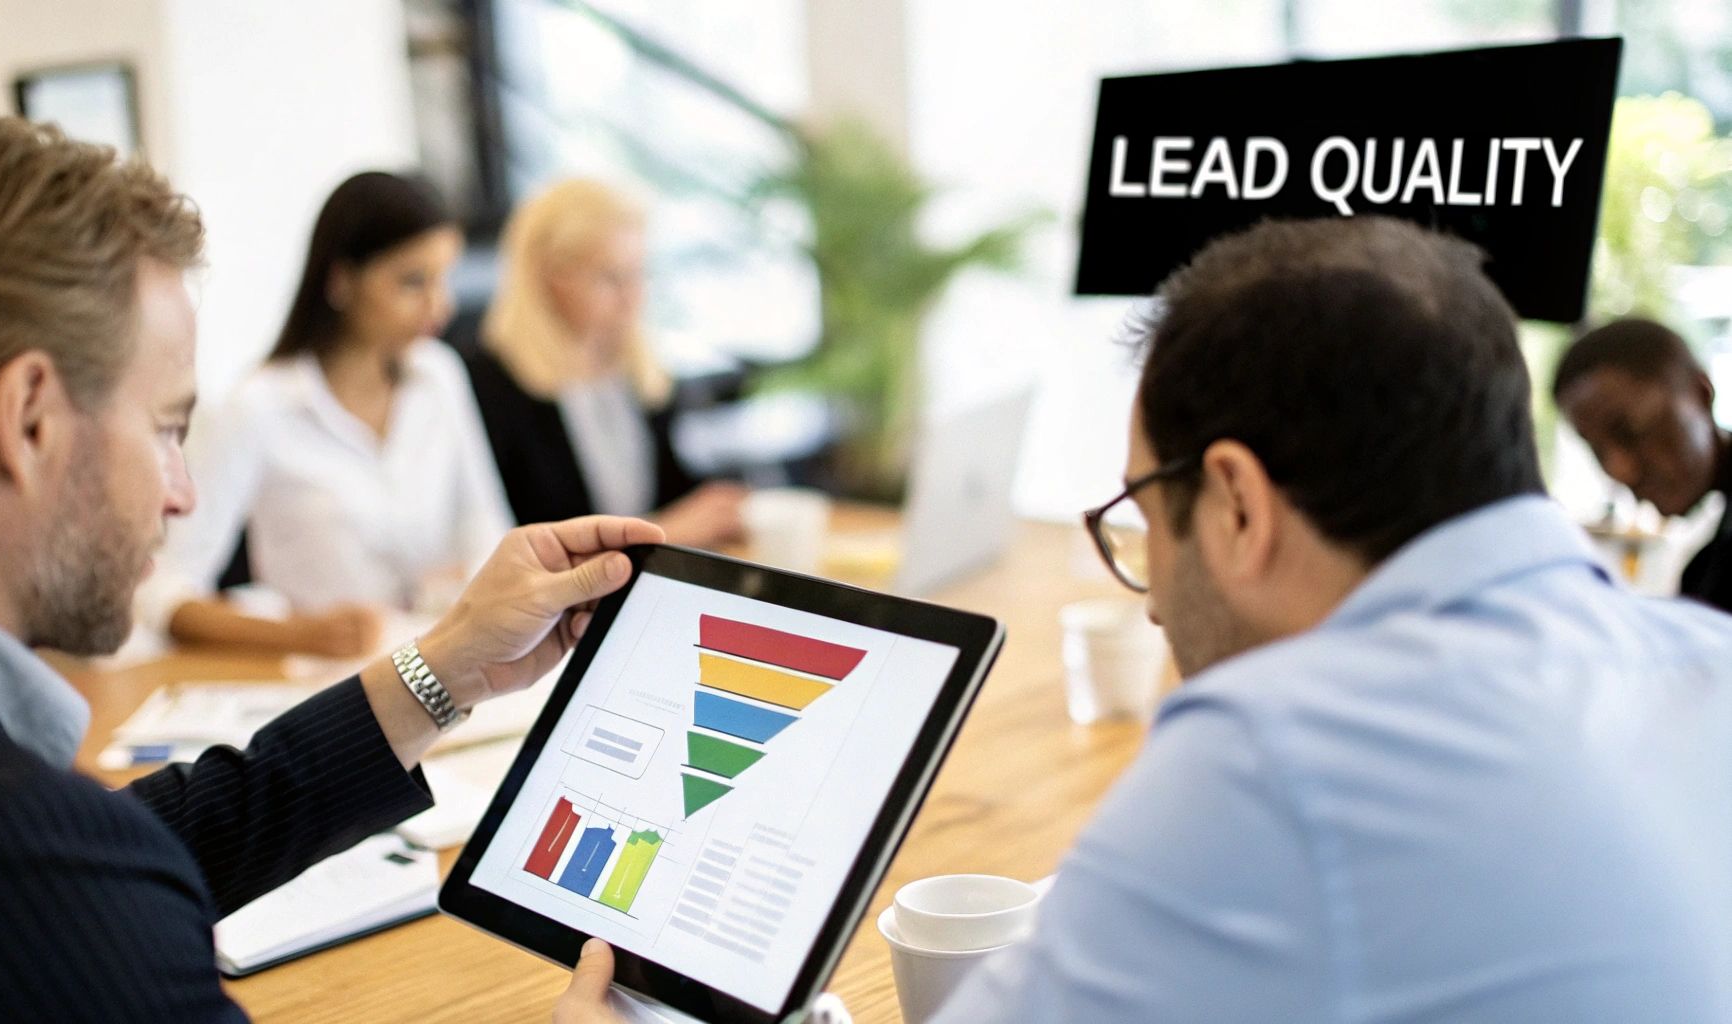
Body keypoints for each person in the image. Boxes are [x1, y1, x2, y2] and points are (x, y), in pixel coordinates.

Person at [555, 217, 1732, 1021]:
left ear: (1232, 501)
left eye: (1140, 509)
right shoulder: (1705, 660)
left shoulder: (1280, 754)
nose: (1153, 588)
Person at [0, 111, 664, 1020]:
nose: (181, 494)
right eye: (163, 428)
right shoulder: (2, 845)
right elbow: (77, 872)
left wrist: (444, 666)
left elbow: (134, 840)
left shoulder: (13, 818)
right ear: (30, 415)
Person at [135, 171, 515, 658]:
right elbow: (164, 589)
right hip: (326, 683)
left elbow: (487, 531)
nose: (440, 306)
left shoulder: (438, 376)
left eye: (444, 278)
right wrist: (301, 634)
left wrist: (456, 585)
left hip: (449, 662)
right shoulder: (258, 409)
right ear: (341, 281)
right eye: (412, 282)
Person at [465, 178, 745, 549]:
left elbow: (669, 489)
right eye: (612, 277)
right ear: (551, 276)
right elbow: (518, 547)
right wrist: (666, 532)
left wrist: (716, 507)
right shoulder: (488, 384)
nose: (633, 297)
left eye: (639, 273)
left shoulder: (631, 363)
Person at [1554, 317, 1732, 614]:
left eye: (1630, 433)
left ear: (1700, 393)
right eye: (1598, 451)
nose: (1620, 470)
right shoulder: (1706, 568)